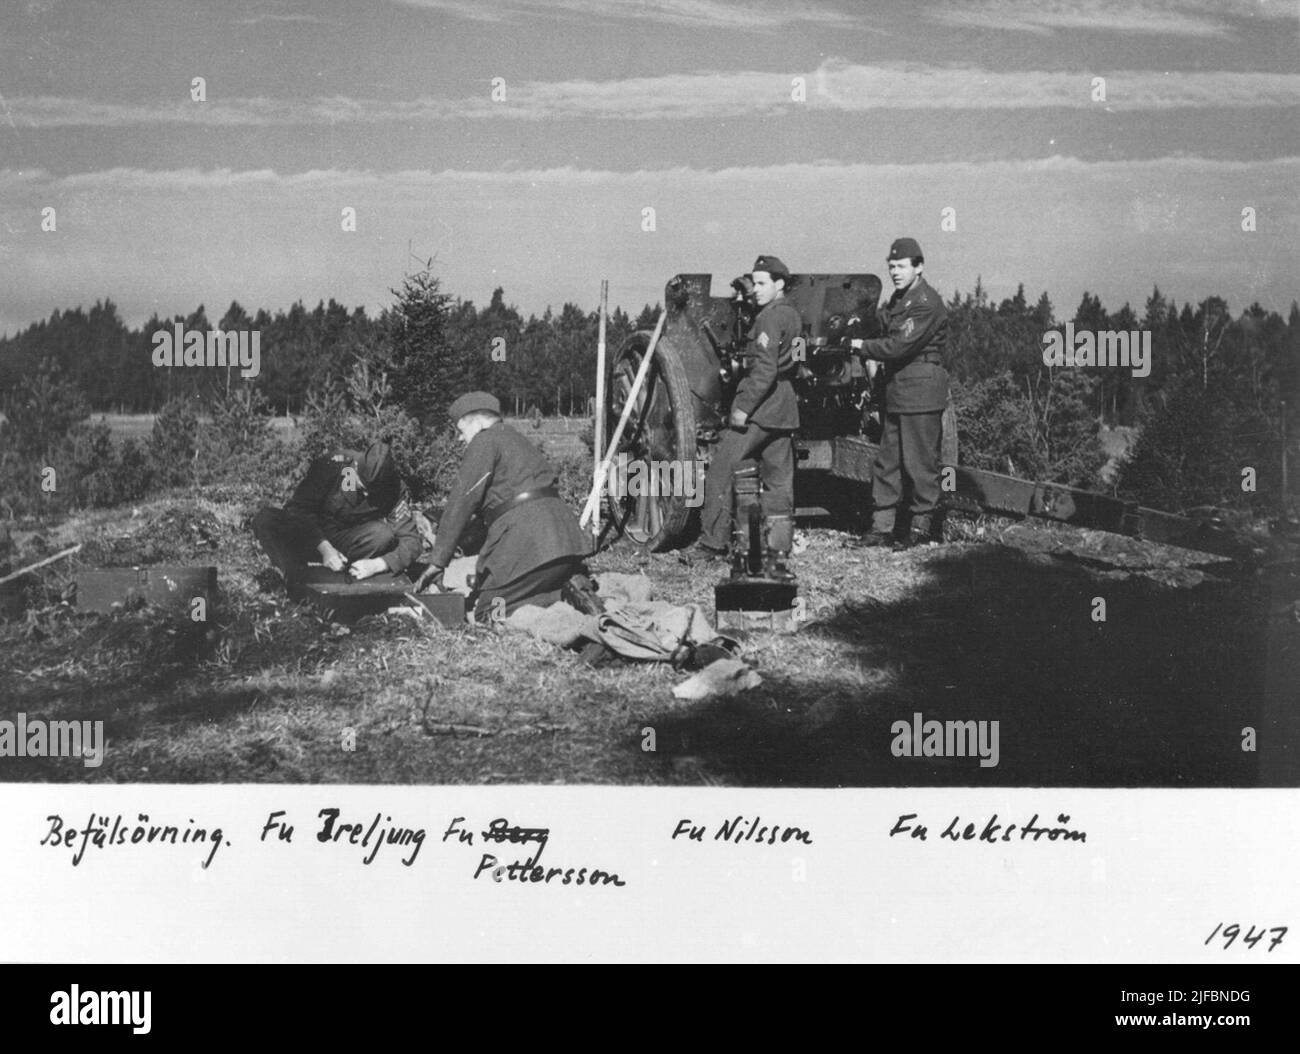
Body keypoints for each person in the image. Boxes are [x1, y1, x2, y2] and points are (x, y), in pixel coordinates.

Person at [417, 391, 593, 621]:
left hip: (532, 544)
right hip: (566, 543)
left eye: (461, 431)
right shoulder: (516, 439)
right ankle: (566, 587)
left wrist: (437, 561)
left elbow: (461, 502)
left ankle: (559, 598)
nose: (460, 439)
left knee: (489, 612)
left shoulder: (484, 441)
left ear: (478, 422)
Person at [697, 254, 802, 576]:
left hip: (760, 408)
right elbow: (797, 358)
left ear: (779, 284)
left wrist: (743, 408)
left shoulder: (769, 319)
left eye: (762, 283)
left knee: (720, 471)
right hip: (784, 408)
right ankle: (778, 546)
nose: (756, 290)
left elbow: (765, 369)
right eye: (754, 283)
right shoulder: (794, 316)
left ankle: (711, 545)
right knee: (778, 481)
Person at [850, 237, 950, 550]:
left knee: (920, 464)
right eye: (891, 266)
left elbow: (898, 346)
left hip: (920, 390)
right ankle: (882, 528)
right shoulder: (899, 300)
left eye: (901, 266)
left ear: (918, 267)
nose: (895, 272)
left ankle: (920, 529)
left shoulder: (925, 302)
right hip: (898, 391)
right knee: (887, 462)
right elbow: (881, 324)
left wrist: (860, 346)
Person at [252, 439, 422, 584]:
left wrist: (378, 564)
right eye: (361, 488)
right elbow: (298, 510)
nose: (366, 495)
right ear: (354, 470)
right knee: (266, 519)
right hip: (310, 537)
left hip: (348, 545)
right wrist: (325, 548)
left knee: (383, 534)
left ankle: (345, 573)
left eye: (372, 493)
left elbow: (412, 541)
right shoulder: (334, 465)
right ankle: (291, 575)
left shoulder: (394, 489)